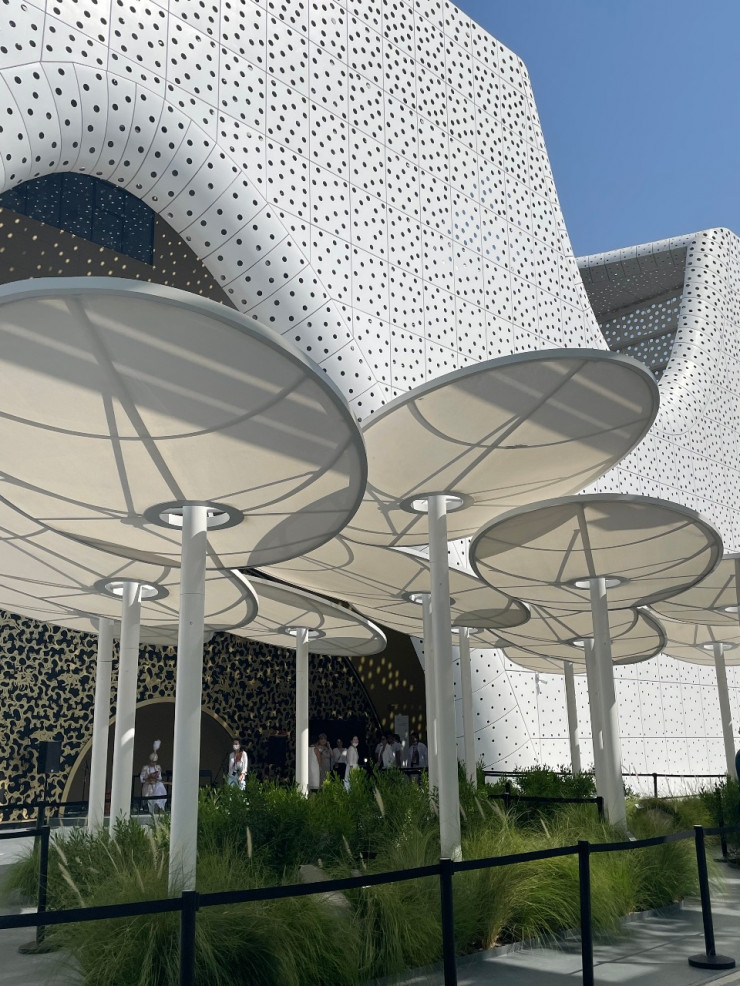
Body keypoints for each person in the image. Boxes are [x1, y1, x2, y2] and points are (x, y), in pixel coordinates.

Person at [139, 740, 167, 812]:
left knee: (160, 786)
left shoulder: (158, 768)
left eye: (154, 762)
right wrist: (148, 778)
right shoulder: (146, 768)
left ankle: (159, 806)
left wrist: (156, 776)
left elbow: (160, 778)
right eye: (152, 762)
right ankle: (149, 808)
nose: (153, 763)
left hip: (156, 784)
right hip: (148, 785)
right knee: (150, 793)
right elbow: (141, 778)